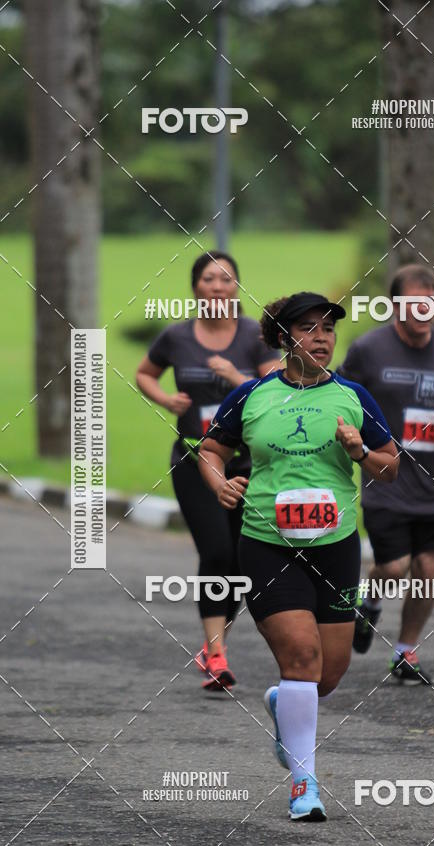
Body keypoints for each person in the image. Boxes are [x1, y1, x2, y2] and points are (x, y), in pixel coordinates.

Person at [198, 292, 398, 820]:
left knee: (326, 676)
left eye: (330, 329)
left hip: (336, 547)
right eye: (310, 328)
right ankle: (304, 786)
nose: (324, 337)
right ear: (285, 338)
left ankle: (283, 705)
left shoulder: (353, 397)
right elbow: (211, 449)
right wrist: (220, 483)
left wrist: (360, 452)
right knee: (302, 661)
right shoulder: (252, 396)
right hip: (267, 544)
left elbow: (391, 467)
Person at [135, 251, 280, 690]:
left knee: (240, 558)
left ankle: (213, 646)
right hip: (194, 458)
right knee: (216, 549)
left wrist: (236, 376)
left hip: (246, 463)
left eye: (226, 279)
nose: (218, 286)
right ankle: (216, 654)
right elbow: (145, 373)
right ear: (195, 287)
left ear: (237, 287)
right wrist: (165, 399)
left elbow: (275, 392)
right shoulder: (177, 336)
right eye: (209, 278)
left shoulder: (254, 338)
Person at [339, 263, 434, 685]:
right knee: (395, 568)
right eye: (414, 304)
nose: (424, 311)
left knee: (428, 569)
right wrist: (355, 440)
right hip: (387, 480)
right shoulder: (368, 349)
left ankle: (405, 652)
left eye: (430, 303)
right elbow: (339, 399)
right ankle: (371, 602)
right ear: (395, 306)